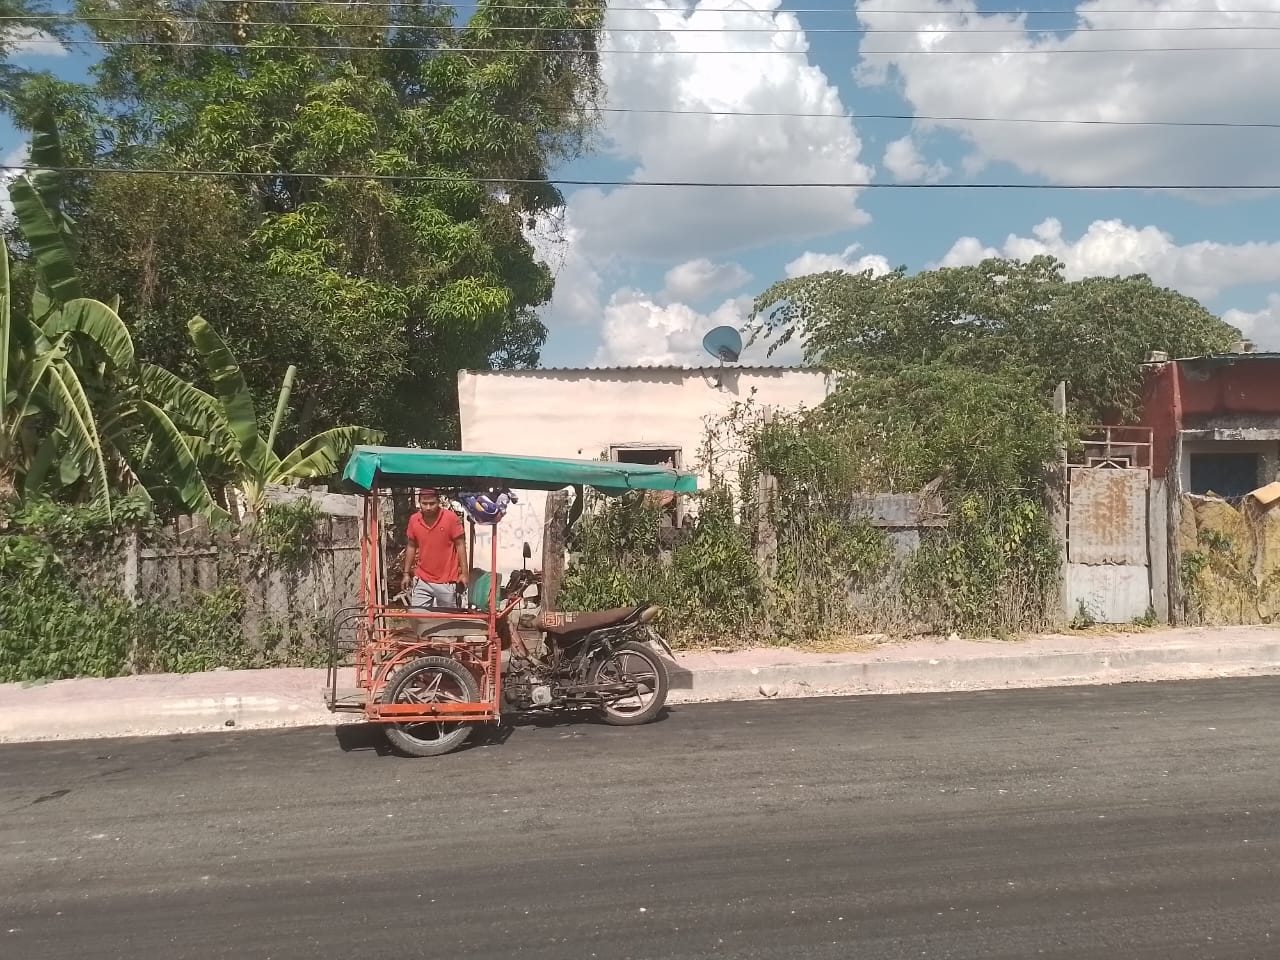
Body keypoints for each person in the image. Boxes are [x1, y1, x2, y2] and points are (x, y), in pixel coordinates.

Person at [402, 488, 467, 609]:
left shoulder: (451, 518)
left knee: (447, 621)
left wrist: (464, 573)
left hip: (447, 581)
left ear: (438, 502)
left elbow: (460, 545)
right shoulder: (414, 520)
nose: (428, 507)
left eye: (432, 503)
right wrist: (406, 573)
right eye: (424, 503)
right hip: (422, 580)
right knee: (419, 617)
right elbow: (411, 546)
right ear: (419, 502)